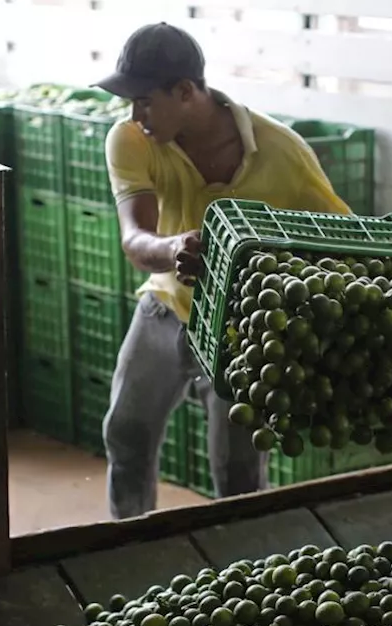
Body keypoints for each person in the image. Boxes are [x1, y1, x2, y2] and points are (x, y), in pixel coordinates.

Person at [96, 21, 352, 520]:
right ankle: (125, 544)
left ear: (186, 92)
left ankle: (241, 569)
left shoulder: (284, 153)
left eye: (145, 100)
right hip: (166, 307)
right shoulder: (131, 139)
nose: (134, 114)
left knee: (237, 473)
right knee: (125, 434)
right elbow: (135, 237)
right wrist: (173, 250)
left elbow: (337, 239)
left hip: (243, 329)